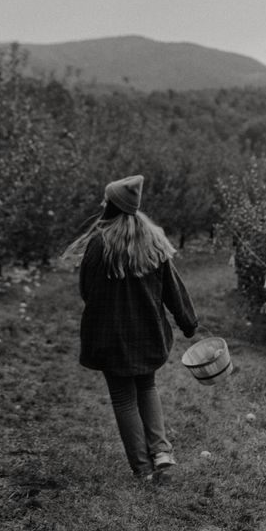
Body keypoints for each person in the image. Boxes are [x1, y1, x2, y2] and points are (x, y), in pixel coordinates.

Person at [65, 174, 199, 481]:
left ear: (110, 205)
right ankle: (162, 452)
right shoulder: (154, 240)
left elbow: (87, 290)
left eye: (104, 200)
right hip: (148, 334)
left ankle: (142, 469)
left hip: (111, 338)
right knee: (147, 387)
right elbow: (173, 289)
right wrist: (188, 323)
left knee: (124, 398)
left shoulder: (100, 244)